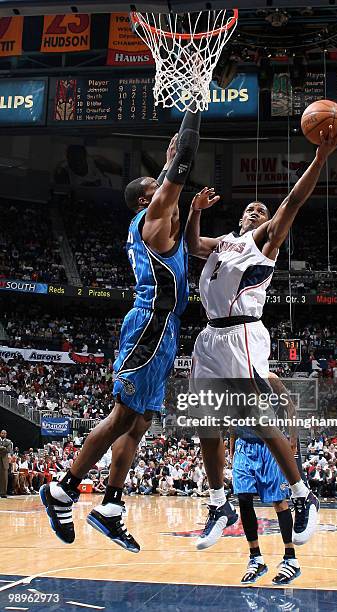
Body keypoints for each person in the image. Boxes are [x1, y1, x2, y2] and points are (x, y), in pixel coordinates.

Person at [40, 107, 202, 552]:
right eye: (157, 189)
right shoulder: (152, 223)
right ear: (143, 202)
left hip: (164, 329)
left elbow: (175, 169)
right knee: (121, 417)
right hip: (150, 323)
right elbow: (183, 163)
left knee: (140, 421)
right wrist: (193, 104)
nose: (165, 191)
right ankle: (63, 490)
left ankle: (111, 506)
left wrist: (169, 158)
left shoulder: (157, 220)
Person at [185, 124, 337, 550]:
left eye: (262, 210)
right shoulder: (223, 244)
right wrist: (195, 209)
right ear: (240, 217)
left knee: (256, 414)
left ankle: (301, 494)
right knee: (205, 420)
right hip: (210, 336)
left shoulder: (264, 243)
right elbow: (190, 244)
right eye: (251, 209)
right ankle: (219, 503)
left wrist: (319, 160)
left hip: (242, 333)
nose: (257, 212)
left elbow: (292, 201)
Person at [230, 374, 301, 585]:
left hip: (270, 445)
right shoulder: (233, 377)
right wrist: (232, 447)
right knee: (243, 498)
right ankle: (256, 558)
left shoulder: (270, 377)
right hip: (244, 445)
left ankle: (291, 559)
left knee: (279, 501)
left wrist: (292, 443)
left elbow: (290, 409)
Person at [0, 430, 13, 498]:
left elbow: (8, 450)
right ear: (0, 433)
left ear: (6, 434)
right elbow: (4, 449)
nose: (3, 434)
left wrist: (2, 448)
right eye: (2, 433)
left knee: (4, 478)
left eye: (5, 433)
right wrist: (3, 448)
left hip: (4, 461)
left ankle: (3, 493)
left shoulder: (9, 441)